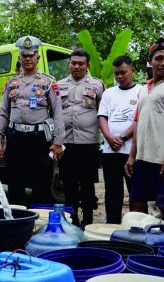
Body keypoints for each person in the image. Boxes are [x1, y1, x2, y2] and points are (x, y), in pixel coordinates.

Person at [125, 38, 164, 232]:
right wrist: (131, 156)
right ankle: (144, 245)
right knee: (137, 203)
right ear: (150, 61)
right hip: (142, 158)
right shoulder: (144, 89)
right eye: (159, 58)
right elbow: (138, 124)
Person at [0, 35, 65, 206]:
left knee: (41, 184)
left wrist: (58, 142)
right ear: (19, 58)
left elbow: (57, 113)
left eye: (31, 55)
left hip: (39, 140)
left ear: (37, 58)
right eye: (24, 55)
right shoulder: (11, 82)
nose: (28, 59)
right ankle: (17, 225)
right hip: (15, 138)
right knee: (15, 184)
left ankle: (41, 225)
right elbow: (3, 112)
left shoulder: (49, 82)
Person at [57, 49, 105, 227]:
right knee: (68, 183)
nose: (76, 66)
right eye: (73, 63)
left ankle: (88, 219)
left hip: (88, 143)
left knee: (87, 183)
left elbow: (103, 112)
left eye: (81, 63)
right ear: (69, 64)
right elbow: (53, 112)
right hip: (66, 142)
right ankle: (72, 218)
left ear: (88, 65)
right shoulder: (59, 84)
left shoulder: (97, 85)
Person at [98, 56, 141, 224]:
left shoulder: (142, 91)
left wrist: (123, 137)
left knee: (135, 192)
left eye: (123, 72)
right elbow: (102, 116)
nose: (120, 76)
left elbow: (140, 119)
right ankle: (112, 226)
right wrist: (109, 138)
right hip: (110, 151)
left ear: (133, 71)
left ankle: (134, 225)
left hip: (132, 152)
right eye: (117, 73)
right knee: (112, 193)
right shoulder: (108, 93)